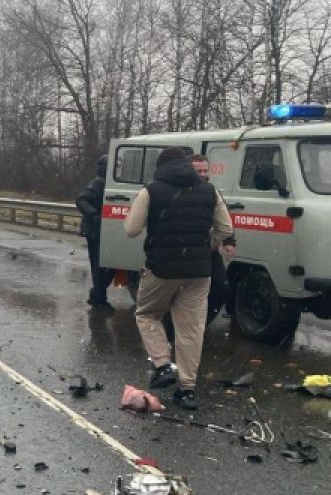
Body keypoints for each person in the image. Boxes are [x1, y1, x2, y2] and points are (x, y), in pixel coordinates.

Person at [125, 147, 232, 410]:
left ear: (160, 167)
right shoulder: (210, 191)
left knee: (147, 314)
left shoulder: (151, 190)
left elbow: (131, 229)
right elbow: (226, 228)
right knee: (191, 329)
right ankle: (187, 390)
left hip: (161, 269)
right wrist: (204, 246)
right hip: (198, 271)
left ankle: (162, 365)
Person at [190, 154, 236, 323]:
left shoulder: (212, 191)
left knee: (221, 288)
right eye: (198, 171)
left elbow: (224, 220)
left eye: (205, 170)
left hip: (208, 248)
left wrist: (229, 241)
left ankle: (201, 325)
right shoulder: (181, 190)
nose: (202, 174)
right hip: (185, 250)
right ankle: (174, 330)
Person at [75, 155, 114, 311]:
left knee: (106, 266)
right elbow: (81, 200)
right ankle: (98, 299)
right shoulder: (97, 184)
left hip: (102, 231)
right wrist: (94, 215)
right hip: (94, 231)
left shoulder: (108, 184)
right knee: (100, 267)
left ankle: (97, 296)